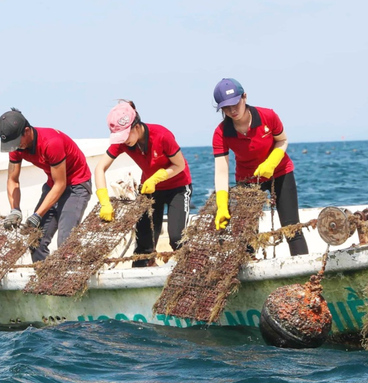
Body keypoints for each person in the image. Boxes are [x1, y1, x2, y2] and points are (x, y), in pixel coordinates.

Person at [211, 78, 308, 256]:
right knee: (246, 235)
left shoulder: (268, 116)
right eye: (226, 107)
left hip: (280, 173)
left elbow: (282, 140)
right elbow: (221, 171)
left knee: (292, 228)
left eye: (235, 104)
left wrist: (271, 162)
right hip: (248, 180)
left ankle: (307, 277)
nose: (232, 110)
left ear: (244, 97)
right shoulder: (221, 132)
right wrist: (222, 205)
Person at [94, 101, 192, 268]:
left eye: (125, 136)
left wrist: (156, 178)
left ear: (136, 126)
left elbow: (179, 164)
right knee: (143, 244)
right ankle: (146, 271)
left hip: (178, 187)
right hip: (149, 189)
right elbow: (99, 169)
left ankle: (191, 270)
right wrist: (104, 202)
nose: (123, 141)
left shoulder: (162, 135)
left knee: (177, 238)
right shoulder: (123, 143)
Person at [0, 108, 93, 262]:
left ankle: (68, 281)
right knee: (35, 241)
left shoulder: (51, 143)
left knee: (66, 244)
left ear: (26, 131)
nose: (14, 147)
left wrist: (37, 215)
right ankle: (46, 282)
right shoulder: (15, 146)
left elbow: (61, 184)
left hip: (76, 185)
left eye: (16, 142)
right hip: (53, 184)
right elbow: (13, 180)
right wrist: (15, 209)